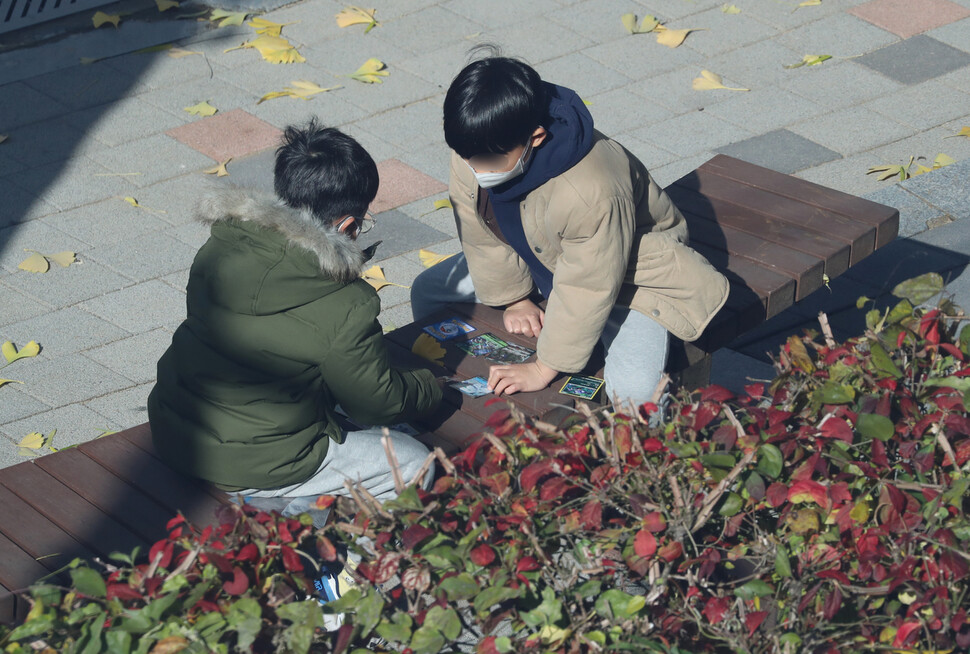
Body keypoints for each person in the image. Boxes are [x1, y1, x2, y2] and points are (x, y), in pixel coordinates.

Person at [148, 120, 442, 527]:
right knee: (413, 463)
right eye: (362, 223)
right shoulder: (345, 303)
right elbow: (376, 402)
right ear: (346, 226)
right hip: (263, 460)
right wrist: (430, 387)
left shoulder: (223, 245)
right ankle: (333, 548)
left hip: (176, 430)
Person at [411, 55, 730, 406]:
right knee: (428, 291)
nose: (475, 169)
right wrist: (513, 298)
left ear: (535, 137)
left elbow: (587, 283)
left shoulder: (593, 189)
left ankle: (644, 456)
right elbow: (481, 231)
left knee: (636, 392)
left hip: (627, 272)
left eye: (488, 161)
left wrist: (544, 366)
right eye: (467, 156)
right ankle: (441, 404)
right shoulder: (479, 143)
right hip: (541, 252)